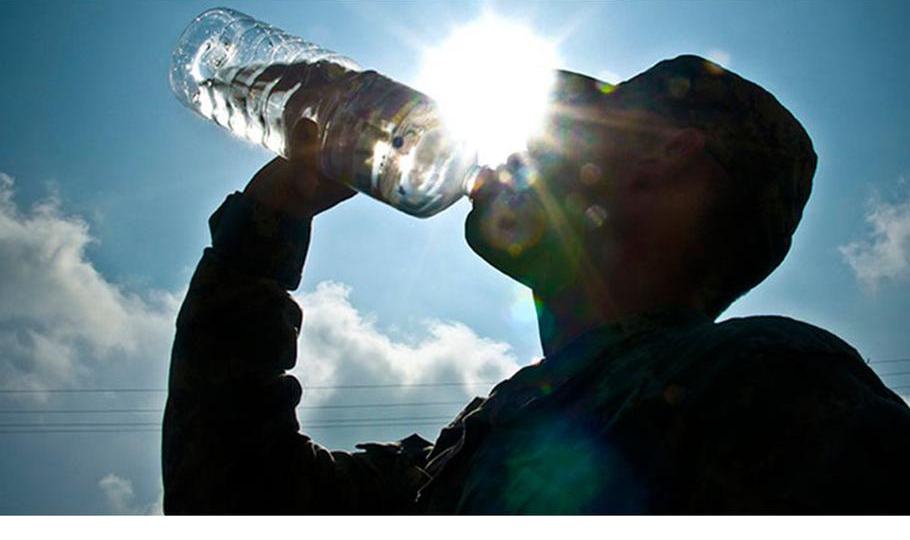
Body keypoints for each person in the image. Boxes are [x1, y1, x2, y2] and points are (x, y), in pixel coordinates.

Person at [162, 55, 910, 514]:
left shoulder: (764, 380)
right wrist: (269, 223)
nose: (517, 143)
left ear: (664, 155)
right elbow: (232, 497)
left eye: (568, 121)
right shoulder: (453, 460)